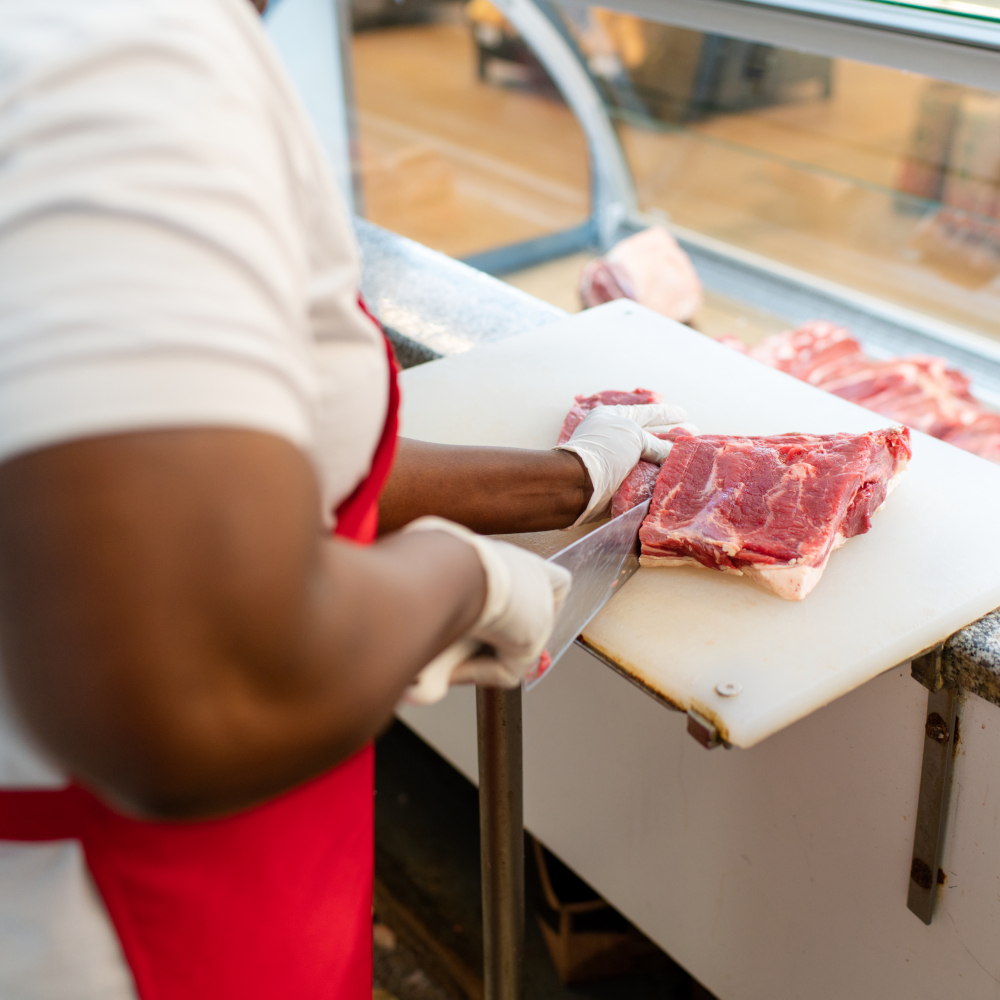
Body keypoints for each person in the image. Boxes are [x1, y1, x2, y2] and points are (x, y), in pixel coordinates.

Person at [0, 0, 686, 997]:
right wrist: (456, 580)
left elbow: (235, 459)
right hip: (127, 919)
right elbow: (200, 687)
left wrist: (567, 480)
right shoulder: (127, 46)